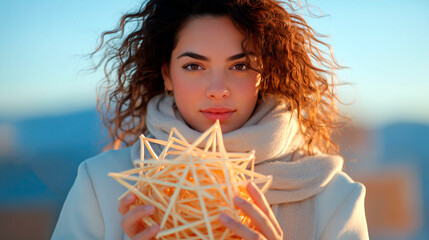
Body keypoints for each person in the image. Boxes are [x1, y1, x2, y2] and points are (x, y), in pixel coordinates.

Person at [52, 0, 369, 239]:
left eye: (240, 66)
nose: (218, 90)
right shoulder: (101, 185)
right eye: (194, 66)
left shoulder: (334, 197)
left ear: (265, 74)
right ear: (167, 74)